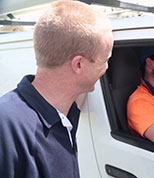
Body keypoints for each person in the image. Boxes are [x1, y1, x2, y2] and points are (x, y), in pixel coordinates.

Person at [0, 1, 113, 178]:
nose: (106, 67)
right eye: (105, 59)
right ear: (79, 64)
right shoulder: (6, 128)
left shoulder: (62, 112)